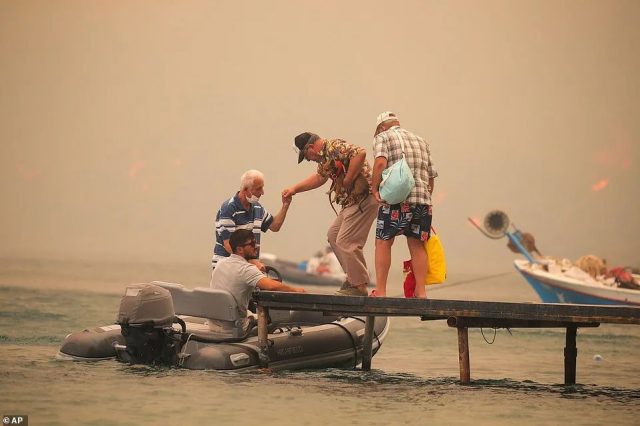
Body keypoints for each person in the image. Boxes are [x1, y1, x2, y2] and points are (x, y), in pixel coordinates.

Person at [283, 132, 378, 296]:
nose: (309, 159)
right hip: (351, 202)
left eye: (306, 156)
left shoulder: (333, 147)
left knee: (346, 241)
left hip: (364, 198)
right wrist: (294, 189)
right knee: (333, 236)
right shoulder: (325, 158)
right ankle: (353, 279)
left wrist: (348, 179)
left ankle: (359, 286)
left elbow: (360, 153)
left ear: (311, 148)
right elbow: (320, 178)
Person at [370, 111, 438, 298]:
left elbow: (380, 164)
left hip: (396, 200)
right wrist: (424, 196)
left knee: (383, 241)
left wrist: (375, 189)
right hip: (423, 200)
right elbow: (431, 176)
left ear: (382, 127)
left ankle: (381, 291)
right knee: (417, 245)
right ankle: (421, 292)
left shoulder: (383, 137)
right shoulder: (421, 141)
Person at [212, 169, 292, 273]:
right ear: (245, 190)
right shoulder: (228, 209)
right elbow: (229, 245)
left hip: (247, 266)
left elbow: (274, 226)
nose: (262, 193)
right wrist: (253, 262)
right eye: (258, 189)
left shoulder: (257, 208)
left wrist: (285, 205)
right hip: (226, 267)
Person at [211, 229, 305, 311]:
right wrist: (296, 290)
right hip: (235, 326)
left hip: (214, 322)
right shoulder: (246, 269)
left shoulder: (220, 263)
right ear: (239, 249)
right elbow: (271, 286)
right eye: (252, 244)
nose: (256, 247)